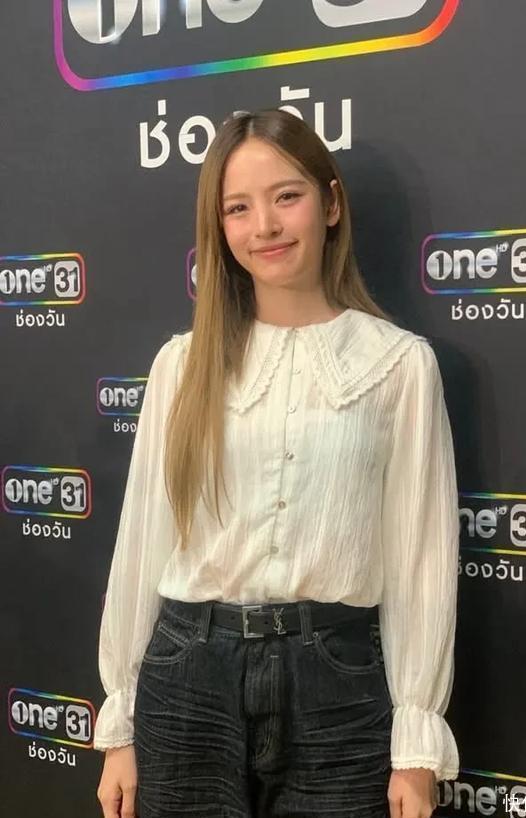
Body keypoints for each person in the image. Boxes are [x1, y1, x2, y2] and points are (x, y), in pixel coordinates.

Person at [95, 108, 460, 818]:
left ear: (331, 204)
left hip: (338, 689)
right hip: (185, 681)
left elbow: (420, 559)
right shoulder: (181, 366)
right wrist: (120, 726)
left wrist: (415, 745)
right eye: (238, 207)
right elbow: (142, 541)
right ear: (219, 227)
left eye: (286, 196)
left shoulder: (400, 367)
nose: (264, 225)